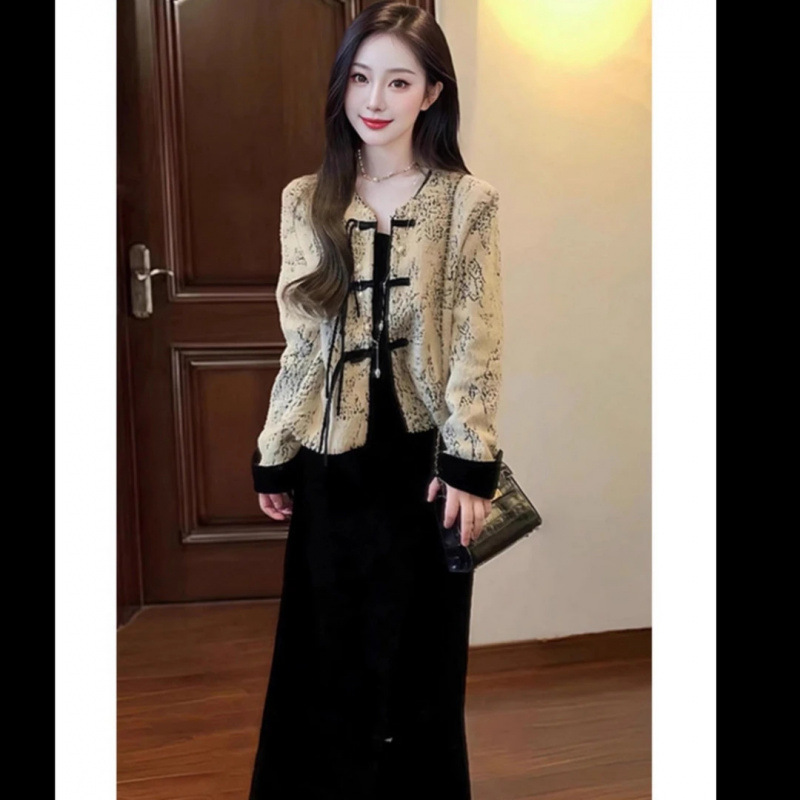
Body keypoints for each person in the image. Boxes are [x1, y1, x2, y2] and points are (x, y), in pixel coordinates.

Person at [247, 3, 504, 798]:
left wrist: (470, 464)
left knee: (423, 662)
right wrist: (275, 451)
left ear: (432, 92)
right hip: (333, 463)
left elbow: (479, 339)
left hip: (427, 469)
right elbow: (303, 343)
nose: (375, 99)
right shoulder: (306, 199)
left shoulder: (468, 202)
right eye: (361, 78)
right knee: (326, 661)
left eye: (398, 81)